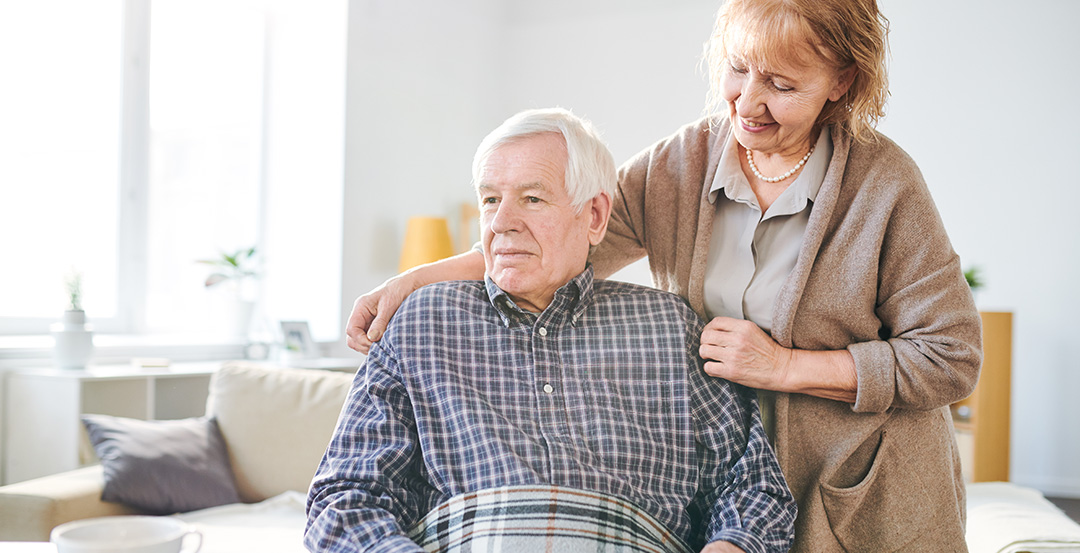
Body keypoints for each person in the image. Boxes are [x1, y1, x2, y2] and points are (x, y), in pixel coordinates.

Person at [343, 1, 984, 551]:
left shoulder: (885, 183)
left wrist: (785, 367)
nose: (749, 102)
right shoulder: (685, 162)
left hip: (861, 481)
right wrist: (414, 282)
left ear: (840, 81)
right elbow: (563, 233)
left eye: (782, 85)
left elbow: (952, 356)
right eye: (737, 69)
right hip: (744, 471)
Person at [307, 108, 796, 553]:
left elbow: (752, 486)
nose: (501, 223)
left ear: (596, 216)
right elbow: (344, 499)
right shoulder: (420, 323)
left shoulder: (670, 326)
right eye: (490, 200)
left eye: (532, 198)